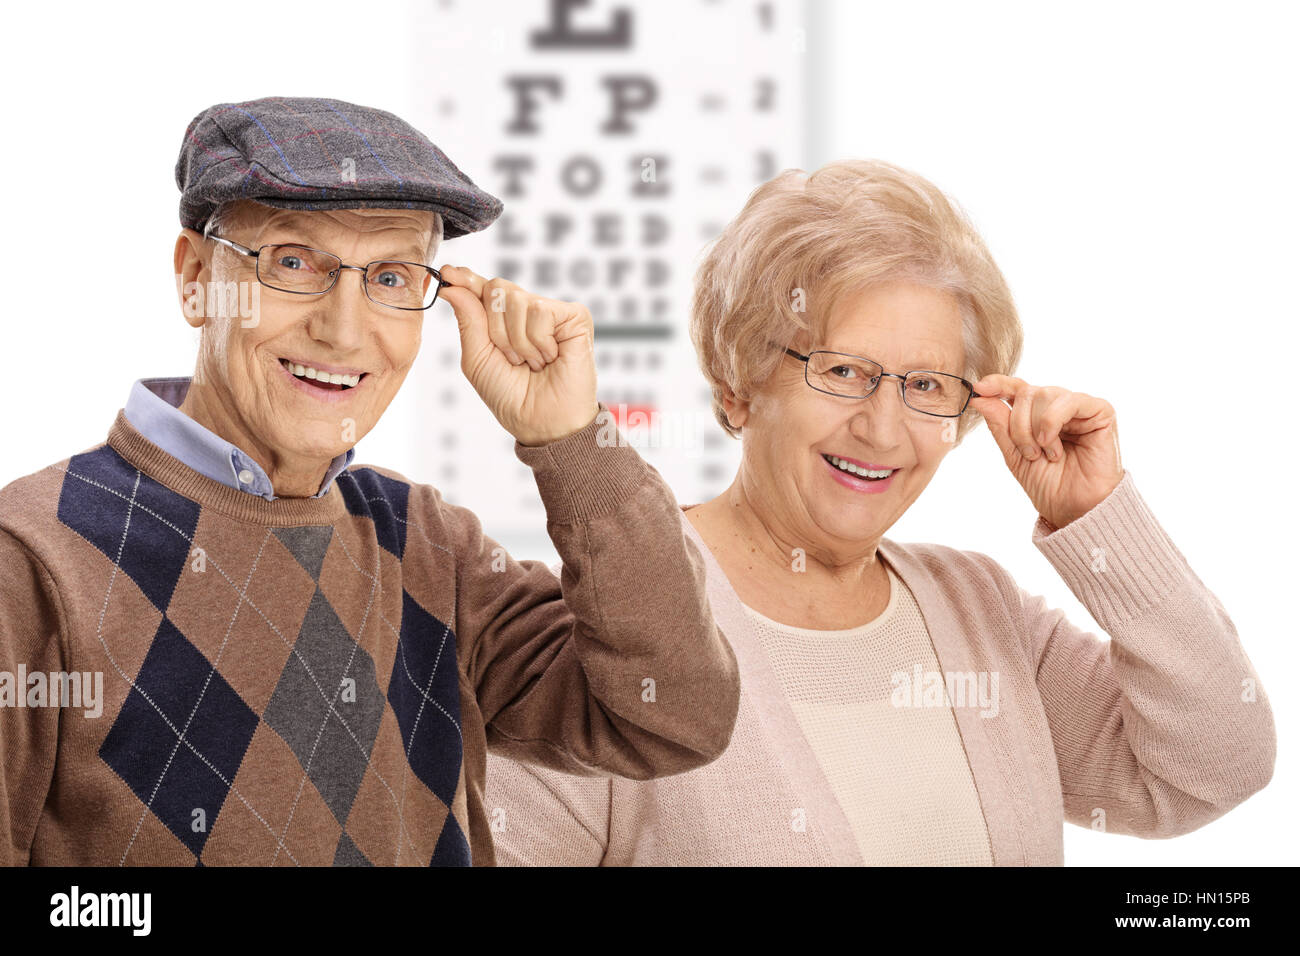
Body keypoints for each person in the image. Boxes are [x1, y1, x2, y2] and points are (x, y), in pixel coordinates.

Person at [0, 96, 740, 866]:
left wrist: (571, 443)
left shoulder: (428, 545)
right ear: (194, 277)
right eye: (292, 262)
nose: (345, 328)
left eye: (390, 277)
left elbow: (676, 715)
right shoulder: (30, 558)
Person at [484, 158, 1276, 865]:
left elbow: (1214, 767)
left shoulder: (981, 611)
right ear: (738, 381)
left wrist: (1100, 520)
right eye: (843, 370)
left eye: (926, 385)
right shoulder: (615, 624)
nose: (884, 427)